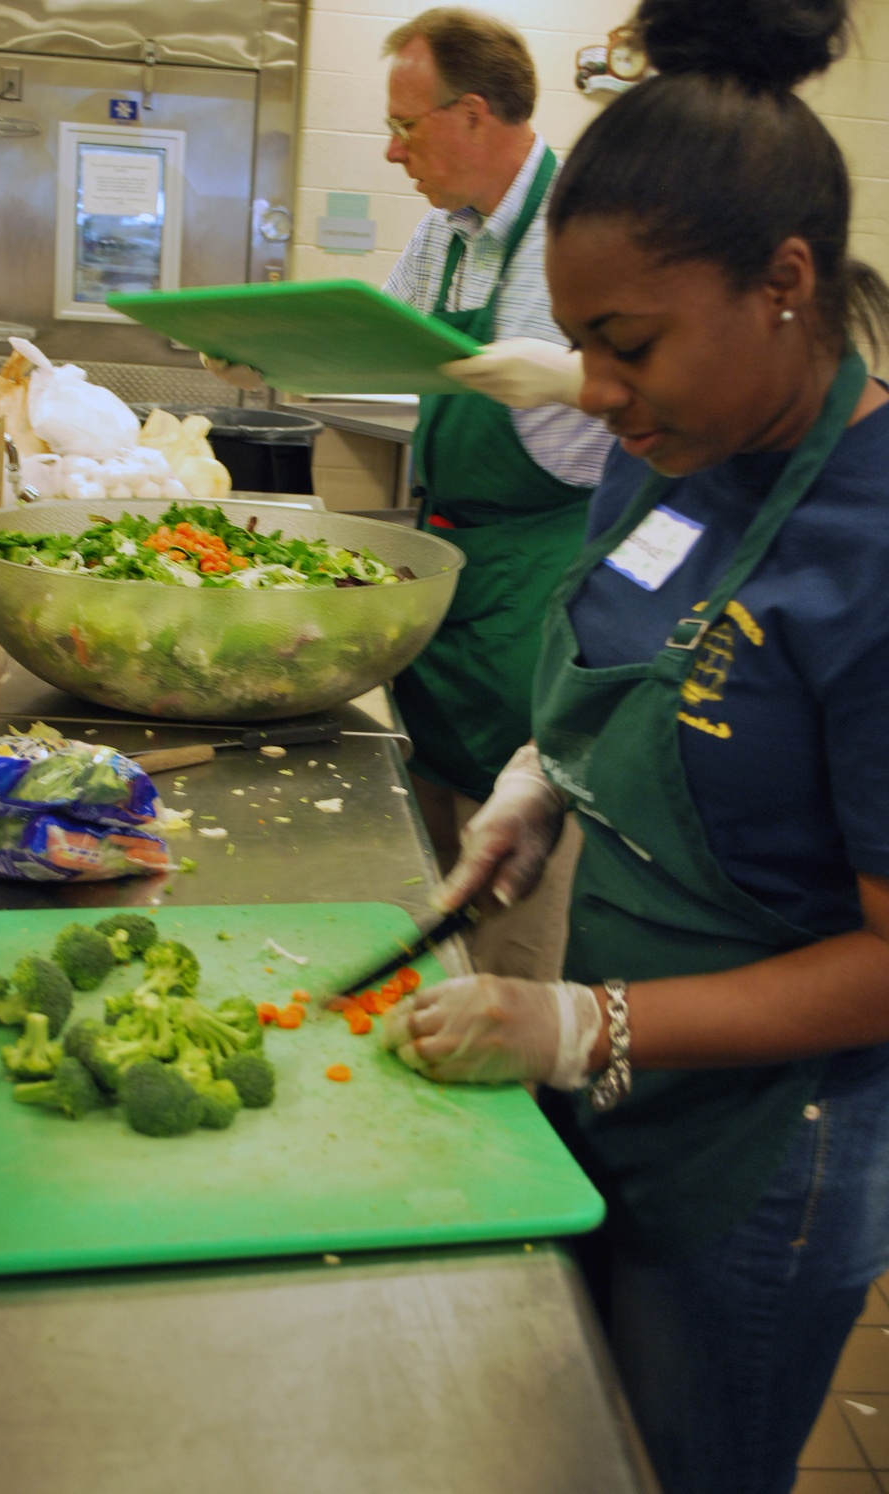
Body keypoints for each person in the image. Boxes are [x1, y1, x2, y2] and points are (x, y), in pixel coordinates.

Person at [382, 2, 889, 1491]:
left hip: (765, 1146)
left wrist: (582, 1025)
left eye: (628, 345)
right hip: (628, 1081)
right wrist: (544, 781)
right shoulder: (676, 450)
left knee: (685, 1459)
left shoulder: (876, 551)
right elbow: (630, 651)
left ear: (785, 284)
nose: (596, 395)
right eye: (580, 344)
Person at [380, 8, 610, 979]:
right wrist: (270, 357)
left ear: (472, 115)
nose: (394, 155)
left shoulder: (583, 229)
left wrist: (567, 379)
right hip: (449, 594)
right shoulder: (442, 238)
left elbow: (666, 408)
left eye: (406, 128)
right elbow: (378, 343)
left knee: (512, 923)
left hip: (535, 597)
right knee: (426, 887)